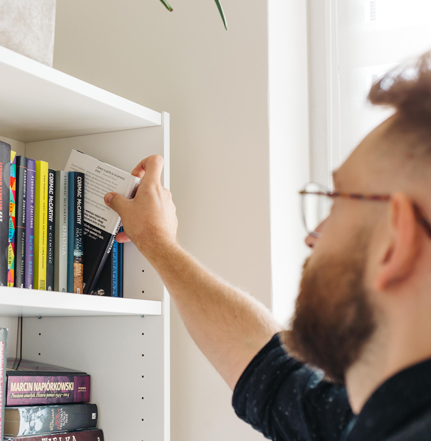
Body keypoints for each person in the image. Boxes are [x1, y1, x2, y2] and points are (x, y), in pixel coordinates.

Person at [104, 51, 431, 440]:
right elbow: (272, 377)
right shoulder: (367, 420)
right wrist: (159, 243)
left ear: (394, 240)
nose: (313, 235)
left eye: (338, 199)